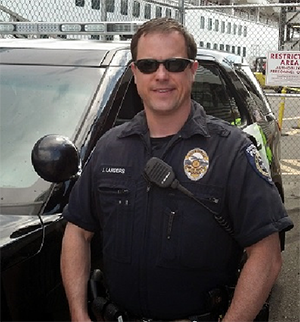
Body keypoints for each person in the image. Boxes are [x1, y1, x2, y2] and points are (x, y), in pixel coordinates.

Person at [60, 17, 293, 322]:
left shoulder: (231, 151)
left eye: (174, 64)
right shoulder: (109, 147)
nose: (161, 75)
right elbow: (77, 231)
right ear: (135, 73)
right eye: (148, 65)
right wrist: (79, 314)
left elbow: (266, 253)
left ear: (192, 70)